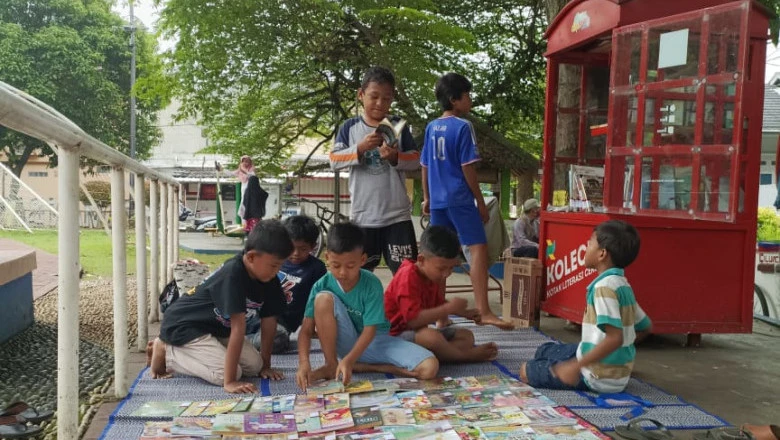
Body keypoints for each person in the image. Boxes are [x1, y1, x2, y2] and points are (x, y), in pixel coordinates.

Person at [148, 219, 293, 393]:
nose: (276, 271)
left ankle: (206, 354)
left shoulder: (268, 277)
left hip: (216, 329)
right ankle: (167, 349)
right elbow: (238, 329)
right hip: (185, 326)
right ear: (252, 257)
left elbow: (269, 321)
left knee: (255, 366)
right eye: (273, 265)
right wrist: (230, 381)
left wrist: (266, 366)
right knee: (225, 374)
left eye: (280, 266)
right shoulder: (233, 274)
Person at [295, 222, 439, 390]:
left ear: (362, 260)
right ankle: (331, 363)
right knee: (323, 299)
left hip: (375, 340)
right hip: (346, 343)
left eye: (350, 266)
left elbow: (370, 330)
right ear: (327, 258)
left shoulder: (371, 283)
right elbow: (306, 330)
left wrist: (349, 360)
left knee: (429, 368)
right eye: (336, 265)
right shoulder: (322, 285)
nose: (342, 272)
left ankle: (363, 365)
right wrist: (304, 363)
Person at [421, 72, 513, 330]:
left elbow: (425, 165)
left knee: (441, 254)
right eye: (467, 95)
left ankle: (440, 316)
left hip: (438, 202)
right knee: (478, 250)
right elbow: (467, 168)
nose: (470, 100)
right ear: (454, 99)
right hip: (460, 199)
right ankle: (484, 311)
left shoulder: (431, 127)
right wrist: (480, 202)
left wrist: (427, 197)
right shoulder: (463, 127)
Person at [519, 220, 652, 393]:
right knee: (544, 350)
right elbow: (645, 326)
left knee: (526, 371)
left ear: (602, 254)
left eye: (590, 243)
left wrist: (575, 367)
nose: (586, 246)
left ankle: (591, 369)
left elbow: (615, 338)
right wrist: (620, 356)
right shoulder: (622, 285)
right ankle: (607, 368)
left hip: (596, 377)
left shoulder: (604, 288)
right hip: (611, 371)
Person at [329, 66, 419, 274]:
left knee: (407, 275)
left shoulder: (398, 125)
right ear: (361, 95)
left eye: (386, 98)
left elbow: (416, 159)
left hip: (398, 216)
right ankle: (363, 308)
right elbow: (334, 160)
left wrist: (396, 157)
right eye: (374, 96)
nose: (380, 103)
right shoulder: (349, 127)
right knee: (358, 275)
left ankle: (404, 308)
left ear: (393, 98)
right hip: (363, 216)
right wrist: (360, 148)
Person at [384, 225, 499, 363]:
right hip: (393, 336)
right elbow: (413, 320)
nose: (446, 274)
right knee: (431, 337)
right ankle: (463, 356)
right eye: (441, 268)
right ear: (421, 260)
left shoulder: (431, 276)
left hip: (417, 335)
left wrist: (464, 313)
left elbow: (437, 303)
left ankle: (438, 355)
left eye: (451, 268)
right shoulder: (407, 276)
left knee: (466, 336)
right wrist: (449, 308)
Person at [246, 215, 327, 353]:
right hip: (253, 313)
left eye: (303, 249)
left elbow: (317, 302)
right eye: (292, 247)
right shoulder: (274, 259)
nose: (296, 253)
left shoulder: (316, 269)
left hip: (280, 324)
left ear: (313, 246)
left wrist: (312, 328)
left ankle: (239, 343)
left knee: (277, 340)